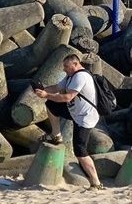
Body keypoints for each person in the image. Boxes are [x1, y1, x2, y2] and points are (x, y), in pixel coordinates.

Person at [33, 54, 104, 190]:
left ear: (76, 64)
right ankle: (56, 135)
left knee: (80, 151)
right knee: (51, 105)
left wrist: (47, 95)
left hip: (85, 118)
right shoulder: (71, 76)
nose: (64, 69)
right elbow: (58, 88)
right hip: (75, 113)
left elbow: (67, 97)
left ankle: (96, 183)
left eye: (66, 66)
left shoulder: (80, 76)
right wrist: (43, 90)